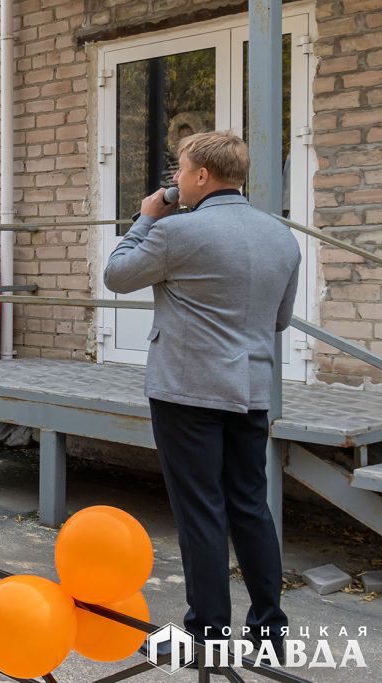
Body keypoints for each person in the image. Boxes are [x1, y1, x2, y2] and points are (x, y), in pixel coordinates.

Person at [104, 131, 298, 653]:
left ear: (202, 177)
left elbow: (116, 275)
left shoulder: (176, 233)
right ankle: (269, 628)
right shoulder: (282, 236)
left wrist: (147, 216)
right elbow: (278, 320)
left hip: (187, 391)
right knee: (250, 505)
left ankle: (207, 631)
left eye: (179, 171)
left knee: (200, 509)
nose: (174, 179)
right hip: (251, 389)